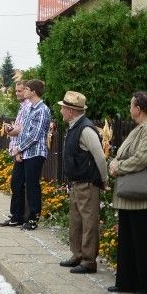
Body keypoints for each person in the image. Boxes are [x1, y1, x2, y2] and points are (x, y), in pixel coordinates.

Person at [107, 91, 147, 294]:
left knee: (145, 243)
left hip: (145, 195)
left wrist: (118, 166)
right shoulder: (140, 127)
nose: (129, 108)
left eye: (131, 105)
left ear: (138, 108)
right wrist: (115, 163)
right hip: (130, 194)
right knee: (128, 240)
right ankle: (127, 281)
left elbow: (143, 158)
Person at [58, 91, 108, 274]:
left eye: (63, 108)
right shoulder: (75, 126)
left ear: (71, 111)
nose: (61, 110)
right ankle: (77, 255)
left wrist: (104, 180)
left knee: (88, 223)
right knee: (76, 221)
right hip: (77, 182)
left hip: (87, 183)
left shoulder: (86, 129)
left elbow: (100, 157)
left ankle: (88, 261)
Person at [12, 79, 51, 230]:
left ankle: (34, 217)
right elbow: (23, 131)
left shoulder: (42, 110)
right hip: (25, 152)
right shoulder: (29, 109)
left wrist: (19, 148)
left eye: (27, 89)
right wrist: (19, 150)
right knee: (18, 182)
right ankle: (19, 216)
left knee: (32, 185)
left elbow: (35, 135)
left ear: (33, 92)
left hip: (35, 153)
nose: (24, 91)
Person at [0, 81, 30, 227]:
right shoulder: (22, 107)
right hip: (18, 149)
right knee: (16, 184)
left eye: (20, 91)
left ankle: (18, 216)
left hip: (22, 150)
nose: (18, 93)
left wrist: (19, 149)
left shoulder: (28, 107)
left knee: (18, 184)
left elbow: (23, 131)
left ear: (28, 91)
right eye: (16, 91)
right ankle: (16, 214)